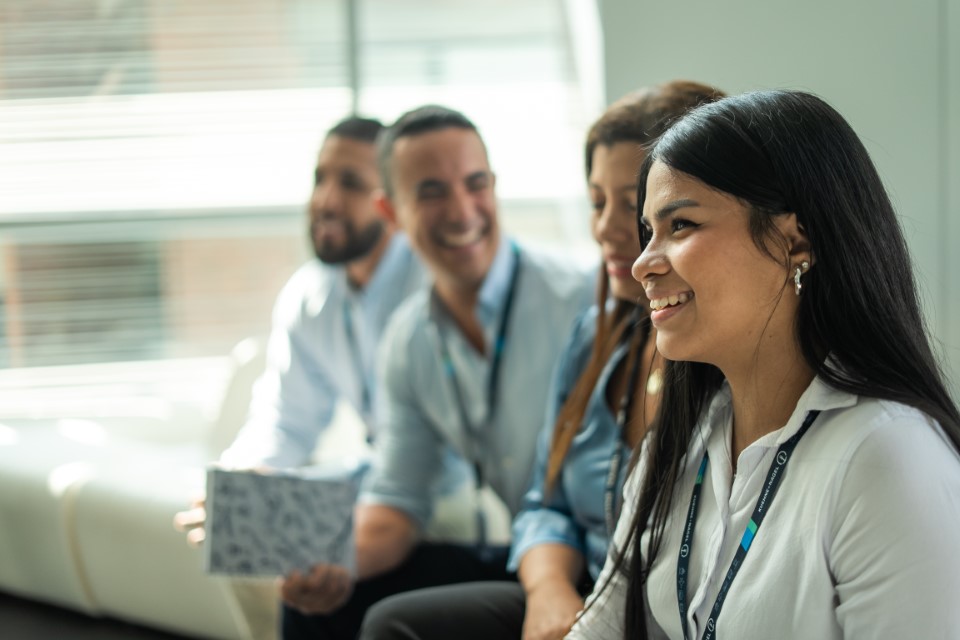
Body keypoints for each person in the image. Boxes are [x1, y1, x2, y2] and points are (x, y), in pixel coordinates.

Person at [567, 90, 960, 640]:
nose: (641, 264)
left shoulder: (887, 460)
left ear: (796, 239)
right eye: (648, 232)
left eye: (680, 225)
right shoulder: (681, 438)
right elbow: (601, 628)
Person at [356, 81, 726, 640]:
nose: (604, 227)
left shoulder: (717, 352)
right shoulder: (596, 334)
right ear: (393, 212)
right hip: (582, 592)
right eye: (596, 202)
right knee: (390, 622)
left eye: (632, 205)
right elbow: (544, 504)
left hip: (661, 617)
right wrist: (549, 593)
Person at [280, 105, 595, 640]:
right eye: (431, 192)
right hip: (534, 554)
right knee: (322, 604)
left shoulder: (580, 301)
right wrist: (330, 561)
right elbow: (396, 506)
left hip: (605, 557)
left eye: (476, 185)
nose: (462, 211)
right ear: (390, 211)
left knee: (388, 623)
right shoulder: (409, 342)